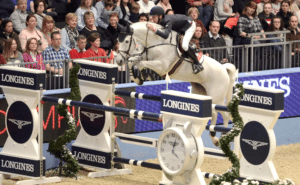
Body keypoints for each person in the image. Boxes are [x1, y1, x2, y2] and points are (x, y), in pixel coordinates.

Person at [147, 6, 203, 73]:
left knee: (184, 45)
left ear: (160, 16)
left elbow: (165, 36)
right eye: (152, 17)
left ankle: (198, 64)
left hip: (189, 26)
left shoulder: (167, 21)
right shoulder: (161, 21)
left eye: (154, 17)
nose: (152, 19)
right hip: (180, 27)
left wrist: (154, 29)